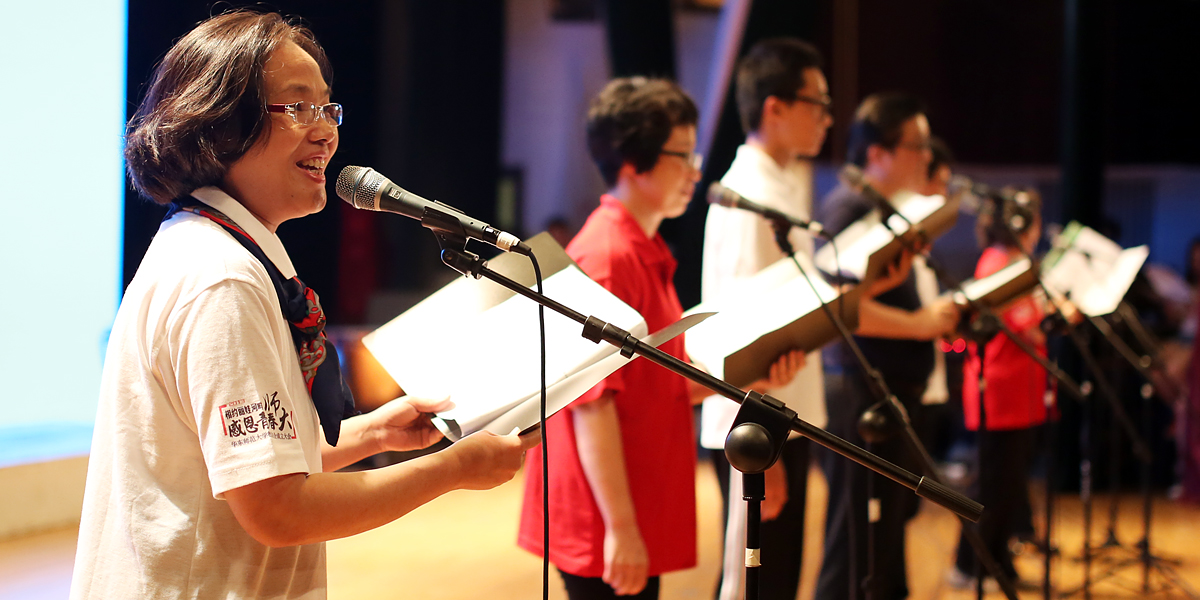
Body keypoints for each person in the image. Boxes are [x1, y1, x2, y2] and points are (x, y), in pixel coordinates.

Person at [70, 11, 534, 599]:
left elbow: (247, 462)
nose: (326, 133)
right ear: (220, 124)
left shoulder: (213, 248)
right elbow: (277, 508)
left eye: (327, 109)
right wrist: (454, 468)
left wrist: (373, 434)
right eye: (297, 108)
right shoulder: (222, 279)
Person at [517, 76, 804, 600]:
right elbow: (592, 407)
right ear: (634, 163)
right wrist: (621, 530)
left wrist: (755, 374)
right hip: (602, 516)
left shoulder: (639, 246)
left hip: (636, 497)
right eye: (683, 156)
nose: (695, 172)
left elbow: (660, 386)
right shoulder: (607, 257)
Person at [814, 93, 961, 600]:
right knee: (853, 536)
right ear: (877, 153)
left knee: (884, 533)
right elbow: (838, 306)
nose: (926, 157)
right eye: (917, 146)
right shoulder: (849, 207)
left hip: (886, 386)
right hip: (860, 386)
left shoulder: (880, 207)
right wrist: (919, 325)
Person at [699, 37, 831, 600]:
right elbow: (737, 330)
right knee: (753, 586)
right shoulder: (749, 193)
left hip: (782, 414)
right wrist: (757, 450)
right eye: (818, 103)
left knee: (778, 579)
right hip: (757, 425)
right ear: (775, 107)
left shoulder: (781, 182)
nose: (827, 118)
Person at [948, 188, 1052, 588]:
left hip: (1019, 391)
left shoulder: (1014, 262)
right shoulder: (998, 262)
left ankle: (999, 563)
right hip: (999, 391)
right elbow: (1024, 322)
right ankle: (968, 565)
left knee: (1008, 486)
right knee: (990, 485)